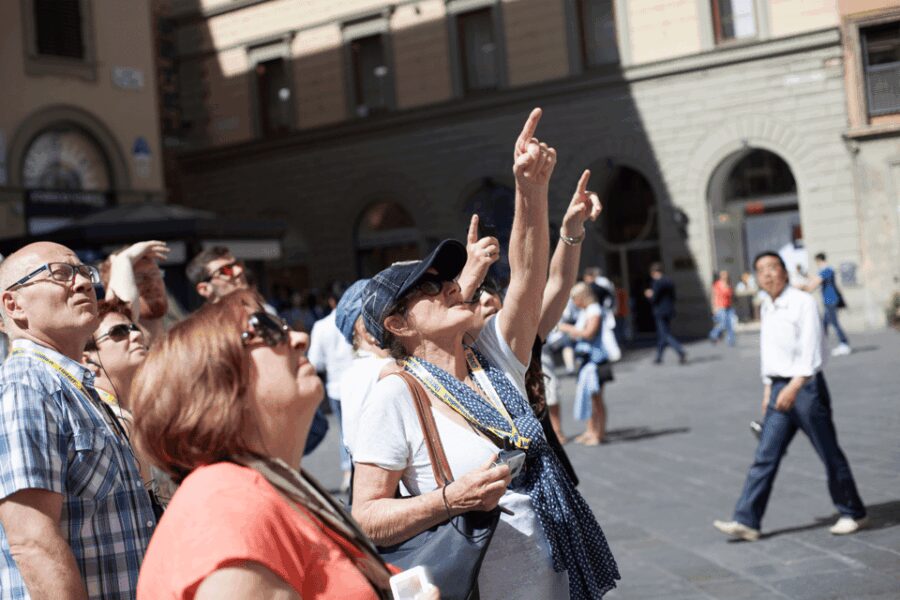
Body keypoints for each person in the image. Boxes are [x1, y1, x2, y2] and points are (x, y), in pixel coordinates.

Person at [352, 109, 619, 599]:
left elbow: (531, 278)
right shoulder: (396, 394)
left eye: (449, 279)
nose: (451, 287)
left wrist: (530, 191)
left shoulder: (492, 359)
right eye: (430, 287)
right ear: (397, 324)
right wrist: (450, 499)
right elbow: (366, 517)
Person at [131, 290, 432, 599]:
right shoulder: (225, 501)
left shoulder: (256, 488)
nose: (300, 338)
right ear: (217, 379)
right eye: (267, 328)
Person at [0, 242, 156, 598]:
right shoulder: (26, 385)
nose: (84, 283)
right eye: (59, 274)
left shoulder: (72, 386)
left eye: (84, 272)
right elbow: (33, 542)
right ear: (14, 304)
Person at [713, 252, 867, 541]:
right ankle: (747, 520)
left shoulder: (802, 302)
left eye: (773, 268)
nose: (768, 274)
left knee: (828, 452)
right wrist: (768, 387)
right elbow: (770, 351)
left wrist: (794, 386)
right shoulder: (768, 306)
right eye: (761, 270)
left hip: (805, 388)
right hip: (778, 389)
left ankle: (852, 511)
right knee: (765, 456)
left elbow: (812, 349)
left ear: (784, 272)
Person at [307, 290, 356, 492]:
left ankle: (348, 472)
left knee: (345, 431)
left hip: (336, 386)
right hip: (360, 381)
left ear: (330, 300)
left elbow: (315, 361)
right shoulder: (357, 320)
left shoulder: (321, 326)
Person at [558, 283, 611, 446]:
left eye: (575, 299)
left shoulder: (594, 310)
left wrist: (567, 328)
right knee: (589, 397)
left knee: (596, 399)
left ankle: (599, 433)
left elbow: (589, 333)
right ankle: (591, 430)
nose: (574, 302)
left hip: (595, 361)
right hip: (587, 360)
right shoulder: (586, 311)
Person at [99, 240, 171, 343]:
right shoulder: (118, 348)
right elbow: (124, 306)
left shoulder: (182, 340)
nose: (152, 283)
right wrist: (123, 260)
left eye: (155, 274)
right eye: (138, 278)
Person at [804, 253, 851, 357]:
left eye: (816, 262)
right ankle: (821, 346)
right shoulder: (827, 270)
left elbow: (815, 282)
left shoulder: (827, 270)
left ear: (819, 261)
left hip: (831, 300)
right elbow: (816, 278)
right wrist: (806, 276)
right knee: (824, 324)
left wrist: (804, 288)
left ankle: (844, 343)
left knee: (834, 322)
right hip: (829, 300)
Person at [645, 262, 687, 365]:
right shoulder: (669, 281)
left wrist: (649, 295)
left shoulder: (657, 282)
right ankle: (659, 357)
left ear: (654, 272)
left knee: (664, 334)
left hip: (660, 311)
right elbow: (673, 296)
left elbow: (654, 298)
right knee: (662, 334)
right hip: (669, 310)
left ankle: (680, 351)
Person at [708, 270, 736, 347]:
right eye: (723, 275)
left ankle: (731, 341)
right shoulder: (717, 285)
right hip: (720, 307)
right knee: (723, 324)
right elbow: (714, 296)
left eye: (726, 274)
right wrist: (714, 307)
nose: (725, 276)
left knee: (730, 324)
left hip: (729, 306)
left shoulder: (729, 284)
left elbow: (731, 296)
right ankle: (713, 334)